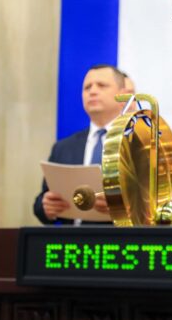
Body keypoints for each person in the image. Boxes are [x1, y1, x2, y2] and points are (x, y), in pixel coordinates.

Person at [32, 64, 135, 224]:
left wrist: (124, 207)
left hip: (123, 237)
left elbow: (160, 202)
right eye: (87, 87)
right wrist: (46, 207)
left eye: (101, 85)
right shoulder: (63, 147)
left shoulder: (142, 144)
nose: (92, 91)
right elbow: (41, 203)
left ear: (123, 95)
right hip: (73, 238)